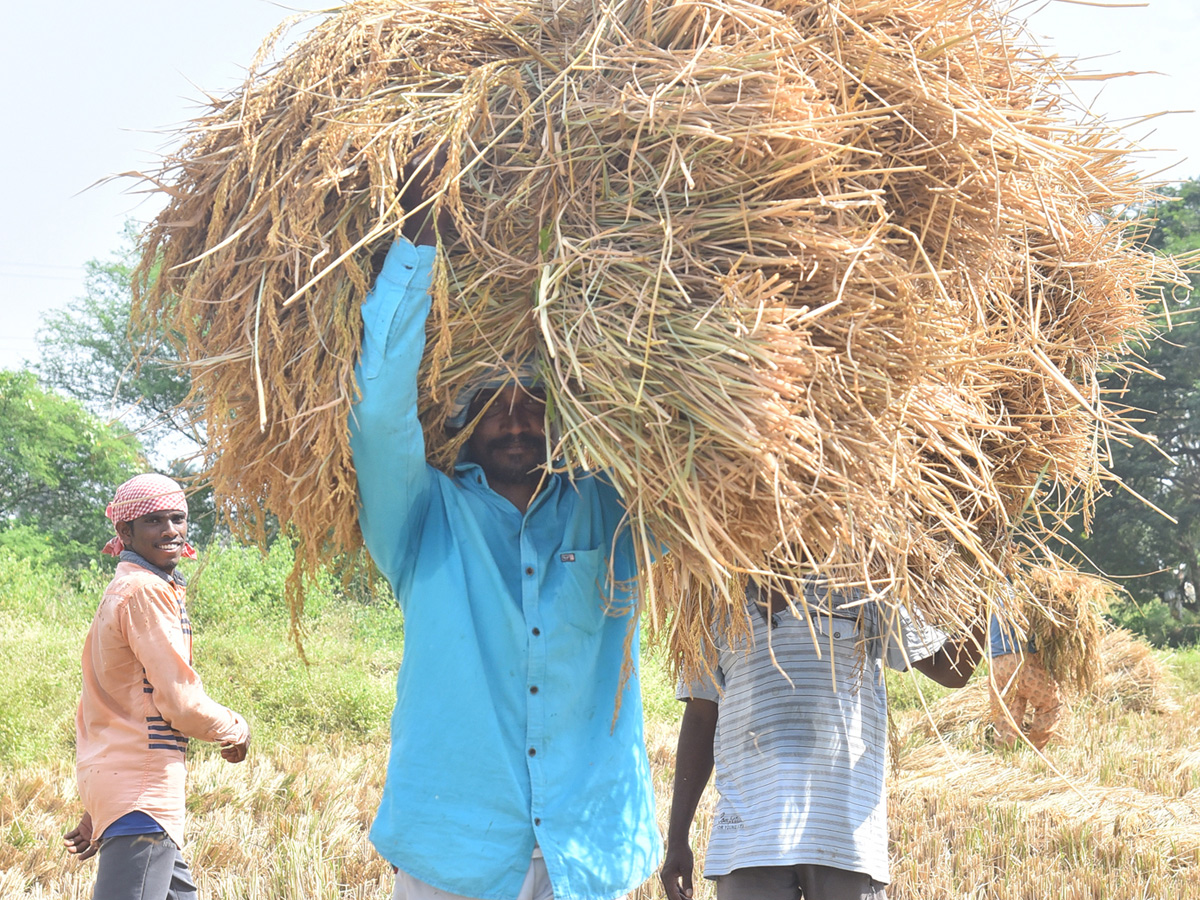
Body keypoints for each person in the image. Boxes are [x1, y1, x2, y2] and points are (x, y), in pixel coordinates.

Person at [347, 197, 659, 899]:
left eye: (534, 403)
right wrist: (419, 243)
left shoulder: (610, 513)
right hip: (453, 846)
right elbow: (377, 413)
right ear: (463, 420)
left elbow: (681, 438)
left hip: (588, 849)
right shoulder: (424, 517)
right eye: (495, 404)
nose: (516, 423)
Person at [661, 578, 985, 900]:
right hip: (749, 837)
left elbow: (951, 670)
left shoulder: (865, 585)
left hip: (844, 833)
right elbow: (701, 715)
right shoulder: (716, 600)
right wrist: (677, 838)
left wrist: (988, 584)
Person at [63, 473, 251, 900]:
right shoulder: (145, 591)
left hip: (128, 791)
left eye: (177, 519)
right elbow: (179, 702)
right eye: (153, 521)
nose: (170, 530)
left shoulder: (125, 588)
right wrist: (234, 728)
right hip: (142, 793)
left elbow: (112, 703)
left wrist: (101, 805)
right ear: (125, 530)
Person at [987, 613, 1062, 750]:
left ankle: (1003, 755)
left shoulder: (997, 596)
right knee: (1050, 704)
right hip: (1022, 658)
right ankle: (1034, 749)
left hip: (996, 663)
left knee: (1007, 713)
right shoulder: (1028, 594)